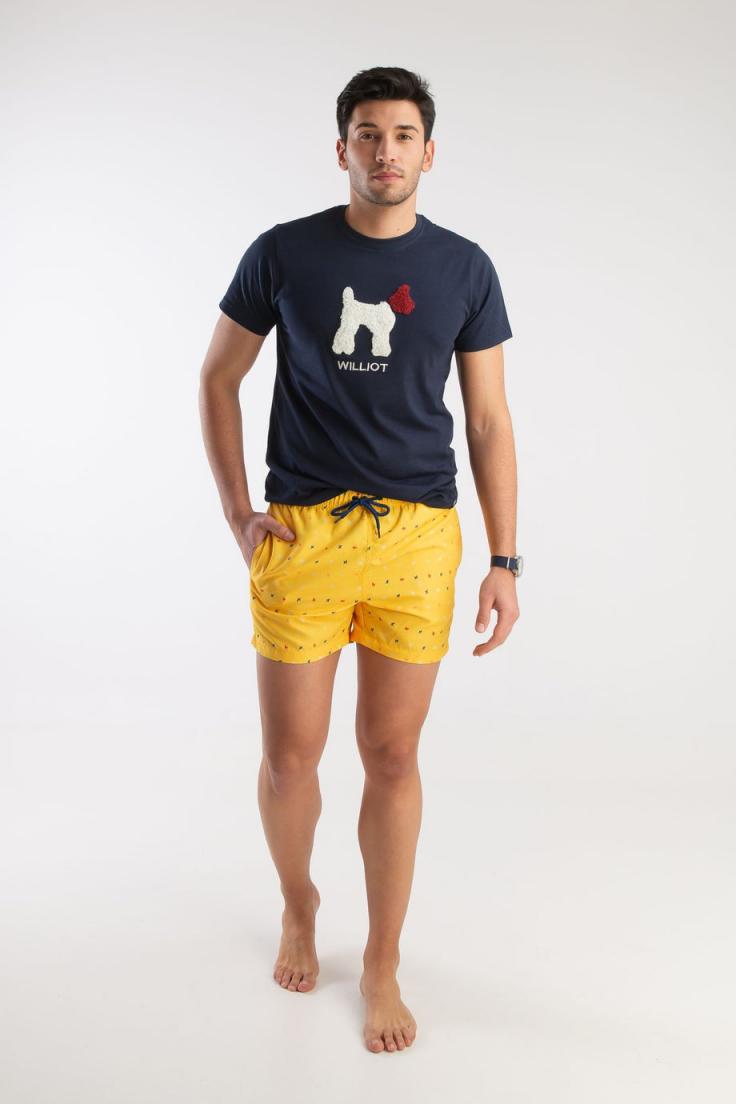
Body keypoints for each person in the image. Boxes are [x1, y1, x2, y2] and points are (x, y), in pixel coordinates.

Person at [198, 66, 521, 1053]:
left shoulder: (464, 268)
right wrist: (239, 513)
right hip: (303, 535)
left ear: (430, 152)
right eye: (369, 134)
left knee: (391, 755)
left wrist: (505, 560)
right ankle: (299, 902)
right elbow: (218, 377)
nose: (386, 150)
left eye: (404, 134)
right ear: (342, 148)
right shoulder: (283, 252)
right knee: (290, 758)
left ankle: (381, 960)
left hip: (418, 539)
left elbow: (488, 420)